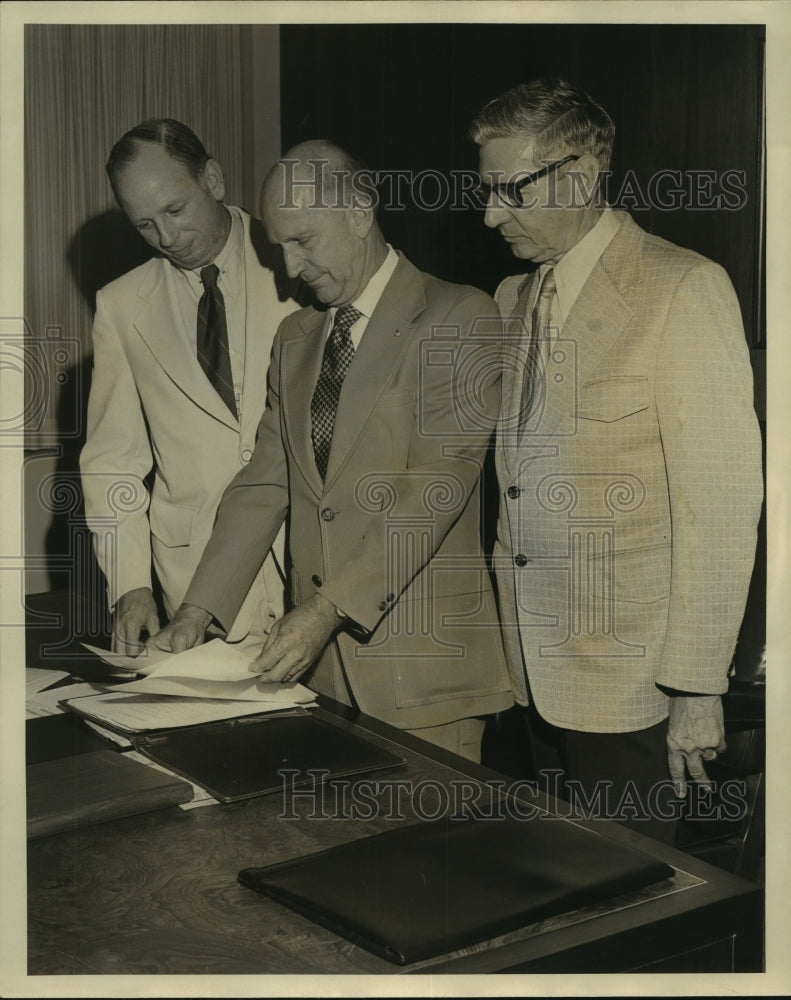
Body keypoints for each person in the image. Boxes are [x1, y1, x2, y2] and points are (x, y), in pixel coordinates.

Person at [150, 140, 512, 761]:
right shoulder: (296, 338)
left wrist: (323, 611)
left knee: (423, 855)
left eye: (303, 241)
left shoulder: (458, 317)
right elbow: (265, 482)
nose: (290, 269)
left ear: (360, 211)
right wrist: (198, 610)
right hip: (320, 678)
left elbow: (434, 493)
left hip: (425, 672)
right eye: (278, 247)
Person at [469, 79, 763, 839]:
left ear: (576, 174)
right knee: (559, 897)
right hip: (533, 678)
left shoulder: (683, 289)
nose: (489, 213)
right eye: (486, 190)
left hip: (636, 689)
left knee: (633, 908)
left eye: (508, 191)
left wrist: (696, 689)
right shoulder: (508, 298)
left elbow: (723, 507)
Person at [80, 119, 297, 654]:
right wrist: (130, 584)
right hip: (196, 588)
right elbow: (113, 462)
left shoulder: (298, 259)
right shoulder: (121, 305)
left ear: (214, 180)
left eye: (175, 211)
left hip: (310, 562)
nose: (168, 238)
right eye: (145, 225)